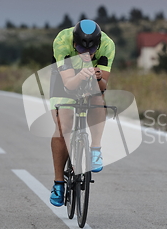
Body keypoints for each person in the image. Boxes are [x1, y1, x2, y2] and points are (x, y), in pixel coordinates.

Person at [49, 19, 115, 207]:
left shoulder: (108, 45)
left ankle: (95, 149)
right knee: (63, 125)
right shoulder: (62, 41)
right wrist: (79, 75)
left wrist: (99, 78)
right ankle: (58, 183)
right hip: (64, 80)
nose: (86, 54)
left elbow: (103, 86)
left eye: (91, 50)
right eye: (79, 48)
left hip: (91, 79)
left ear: (98, 45)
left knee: (97, 99)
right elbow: (68, 84)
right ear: (74, 42)